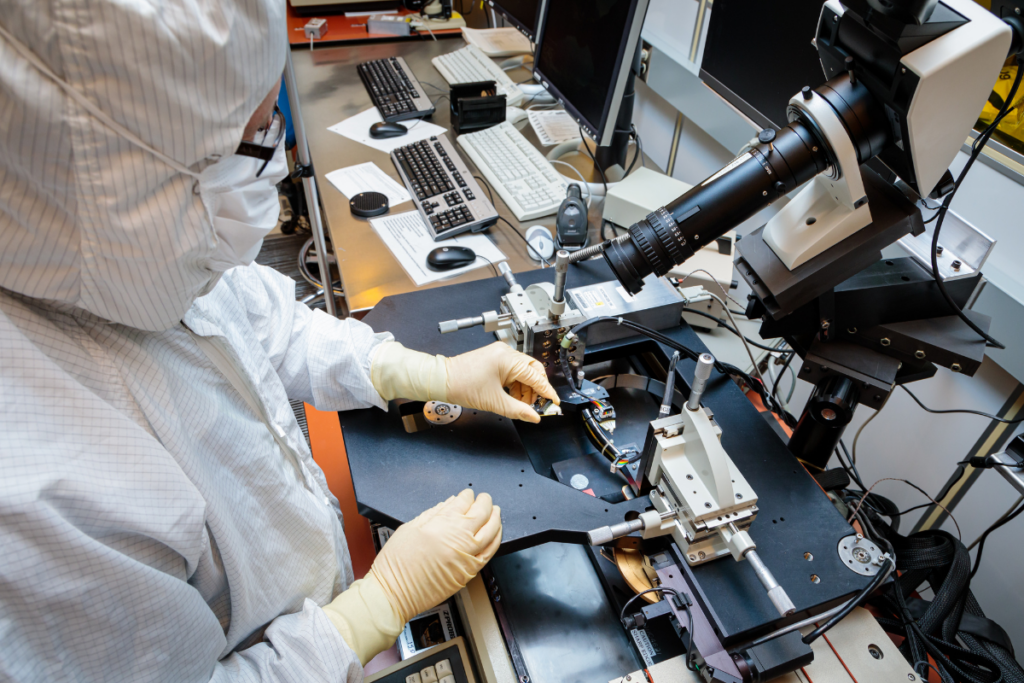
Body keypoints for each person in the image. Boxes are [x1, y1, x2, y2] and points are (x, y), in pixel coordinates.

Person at [0, 3, 558, 681]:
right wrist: (374, 609)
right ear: (128, 181)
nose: (278, 154)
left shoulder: (126, 249)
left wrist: (424, 371)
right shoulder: (35, 500)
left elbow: (267, 323)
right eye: (254, 137)